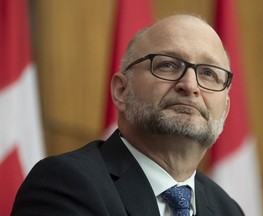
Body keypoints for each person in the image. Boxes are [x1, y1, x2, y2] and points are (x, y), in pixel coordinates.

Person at [11, 14, 245, 216]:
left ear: (225, 108)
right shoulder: (64, 184)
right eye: (168, 65)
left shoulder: (228, 210)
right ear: (122, 91)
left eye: (208, 73)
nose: (190, 85)